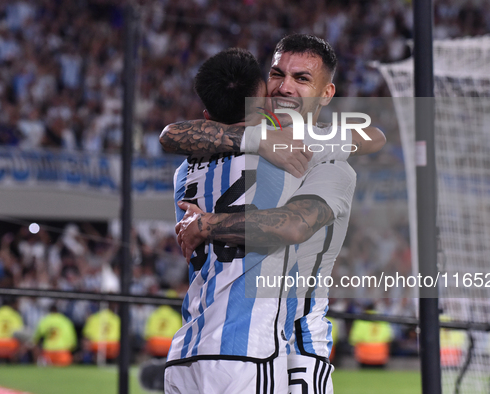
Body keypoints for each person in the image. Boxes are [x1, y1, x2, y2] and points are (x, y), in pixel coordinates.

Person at [161, 36, 385, 393]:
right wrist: (260, 139)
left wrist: (206, 224)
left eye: (301, 79)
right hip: (254, 346)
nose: (285, 87)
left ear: (326, 94)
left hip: (298, 347)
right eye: (278, 75)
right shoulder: (259, 141)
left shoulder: (327, 159)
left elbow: (373, 137)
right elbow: (172, 133)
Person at [144, 292, 182, 358]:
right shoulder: (175, 316)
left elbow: (147, 334)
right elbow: (179, 336)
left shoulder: (154, 314)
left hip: (154, 344)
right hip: (169, 345)